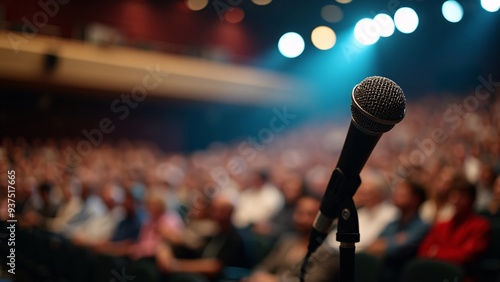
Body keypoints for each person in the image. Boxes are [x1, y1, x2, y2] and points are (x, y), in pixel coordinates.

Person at [243, 195, 336, 282]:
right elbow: (265, 266)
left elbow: (314, 280)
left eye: (309, 214)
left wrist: (276, 280)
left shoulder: (328, 251)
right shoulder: (287, 241)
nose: (302, 219)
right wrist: (256, 276)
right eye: (299, 212)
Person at [156, 195, 246, 281]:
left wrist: (176, 266)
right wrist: (164, 250)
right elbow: (191, 250)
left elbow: (214, 267)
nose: (215, 214)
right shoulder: (213, 232)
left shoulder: (235, 238)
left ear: (230, 212)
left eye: (221, 210)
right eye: (213, 209)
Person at [419, 175, 491, 280]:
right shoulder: (442, 225)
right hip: (437, 276)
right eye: (454, 196)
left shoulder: (480, 225)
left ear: (472, 199)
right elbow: (423, 251)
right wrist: (451, 252)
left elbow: (465, 256)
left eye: (462, 196)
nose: (457, 201)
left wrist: (436, 252)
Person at [365, 179, 429, 282]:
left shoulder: (422, 226)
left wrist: (386, 243)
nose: (396, 195)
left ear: (415, 199)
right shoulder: (392, 224)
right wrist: (395, 240)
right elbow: (372, 245)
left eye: (402, 193)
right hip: (382, 275)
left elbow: (396, 250)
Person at [326, 169, 399, 252]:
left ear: (380, 193)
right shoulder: (360, 212)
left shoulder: (391, 213)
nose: (364, 197)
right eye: (362, 193)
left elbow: (371, 242)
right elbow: (333, 238)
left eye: (368, 193)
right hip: (339, 252)